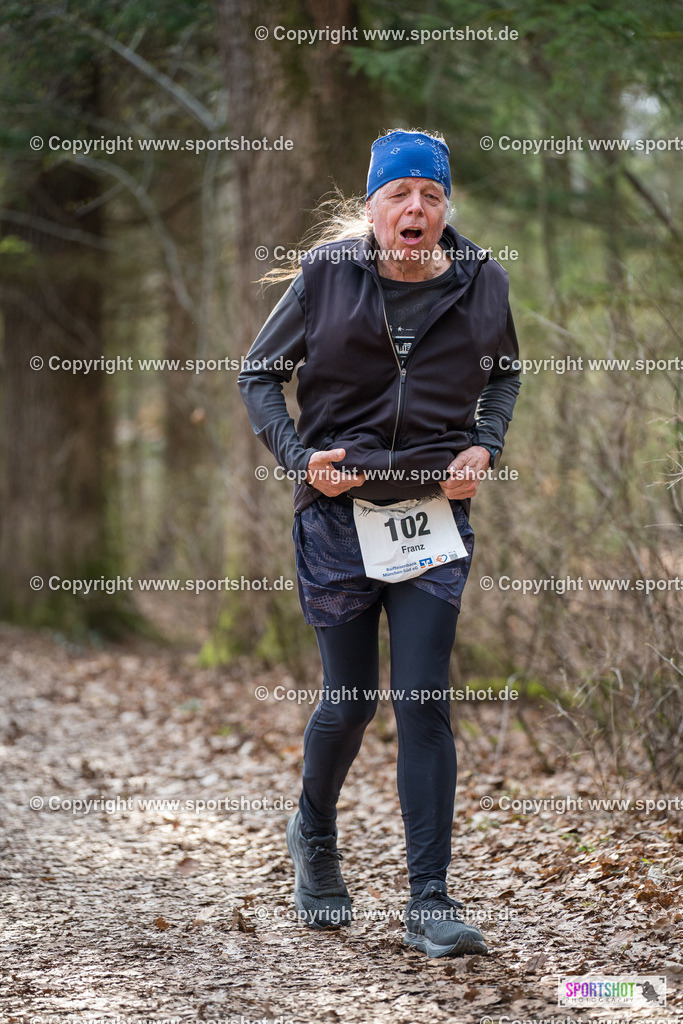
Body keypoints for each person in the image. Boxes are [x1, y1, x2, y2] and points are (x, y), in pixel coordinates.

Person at [238, 129, 521, 958]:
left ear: (445, 209)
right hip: (336, 514)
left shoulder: (482, 283)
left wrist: (484, 448)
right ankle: (314, 840)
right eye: (398, 194)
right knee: (352, 698)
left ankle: (429, 899)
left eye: (430, 196)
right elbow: (258, 371)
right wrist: (299, 460)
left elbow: (502, 371)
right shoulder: (328, 278)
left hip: (432, 511)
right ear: (371, 207)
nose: (415, 208)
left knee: (423, 699)